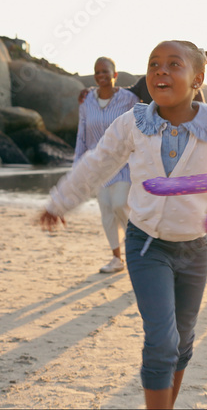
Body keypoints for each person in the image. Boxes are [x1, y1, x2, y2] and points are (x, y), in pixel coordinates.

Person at [40, 41, 207, 409]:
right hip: (147, 245)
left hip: (195, 249)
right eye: (154, 64)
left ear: (198, 79)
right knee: (162, 341)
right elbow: (98, 163)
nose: (161, 71)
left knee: (183, 340)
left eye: (173, 64)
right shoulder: (134, 122)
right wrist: (60, 200)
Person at [76, 57, 140, 273]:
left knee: (120, 204)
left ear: (115, 75)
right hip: (98, 164)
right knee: (106, 211)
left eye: (105, 72)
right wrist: (79, 165)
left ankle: (137, 250)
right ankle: (116, 259)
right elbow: (81, 133)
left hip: (124, 163)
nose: (101, 75)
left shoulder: (129, 99)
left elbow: (139, 126)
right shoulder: (87, 102)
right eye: (97, 72)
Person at [78, 52, 207, 105]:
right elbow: (121, 91)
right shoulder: (145, 83)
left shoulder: (190, 89)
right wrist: (93, 90)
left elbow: (202, 118)